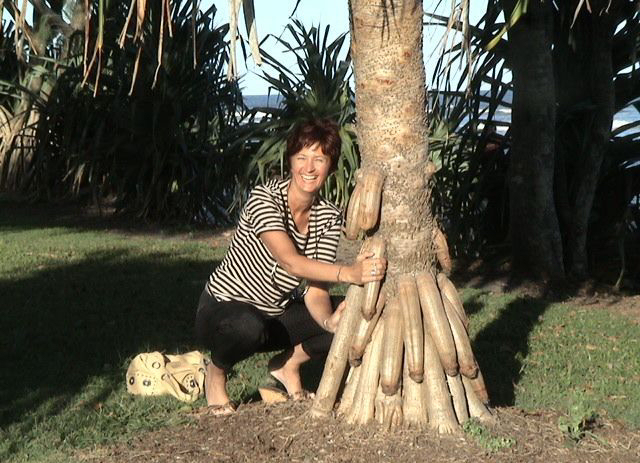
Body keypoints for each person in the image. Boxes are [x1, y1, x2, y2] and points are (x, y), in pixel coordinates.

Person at [195, 118, 387, 415]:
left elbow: (315, 292)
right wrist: (348, 272)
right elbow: (290, 261)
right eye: (302, 158)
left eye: (319, 159)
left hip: (274, 316)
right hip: (222, 313)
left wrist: (328, 323)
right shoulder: (265, 198)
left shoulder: (327, 216)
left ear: (331, 166)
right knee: (248, 325)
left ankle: (288, 365)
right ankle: (216, 373)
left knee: (354, 313)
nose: (309, 168)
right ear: (290, 161)